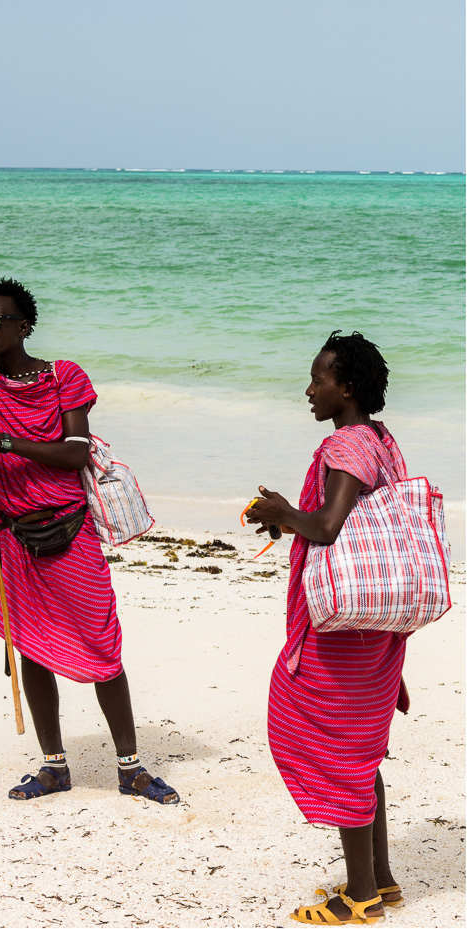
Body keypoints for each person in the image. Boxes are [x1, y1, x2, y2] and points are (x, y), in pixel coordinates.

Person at [0, 278, 178, 804]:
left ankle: (130, 766)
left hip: (68, 528)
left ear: (24, 326)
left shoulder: (63, 377)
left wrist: (6, 440)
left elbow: (77, 452)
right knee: (30, 648)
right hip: (13, 534)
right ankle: (54, 765)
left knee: (103, 644)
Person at [244, 332, 408, 926]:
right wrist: (290, 519)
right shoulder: (382, 442)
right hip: (374, 623)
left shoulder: (347, 445)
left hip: (345, 632)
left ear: (349, 388)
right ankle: (381, 881)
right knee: (361, 756)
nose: (309, 390)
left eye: (319, 380)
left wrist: (283, 514)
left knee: (332, 748)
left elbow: (332, 527)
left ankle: (358, 896)